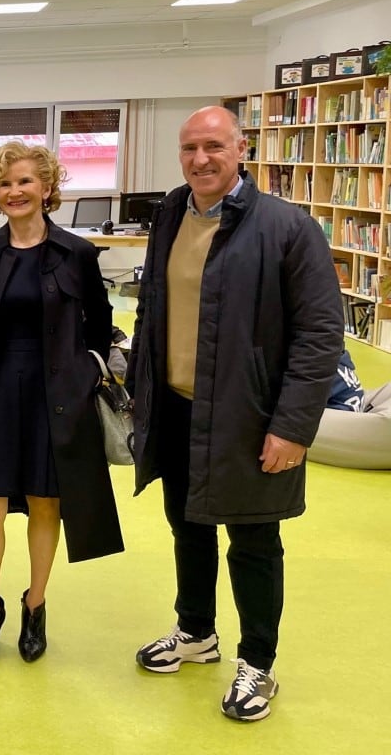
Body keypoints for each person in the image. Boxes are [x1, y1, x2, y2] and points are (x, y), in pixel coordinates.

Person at [127, 106, 343, 722]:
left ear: (241, 148)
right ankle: (196, 632)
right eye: (190, 148)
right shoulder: (170, 212)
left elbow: (321, 334)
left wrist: (293, 427)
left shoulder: (287, 227)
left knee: (253, 540)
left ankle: (258, 664)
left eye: (214, 146)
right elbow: (153, 308)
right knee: (187, 524)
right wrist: (143, 389)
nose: (201, 159)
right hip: (174, 408)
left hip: (249, 415)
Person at [0, 142, 123, 669]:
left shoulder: (77, 254)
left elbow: (99, 326)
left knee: (46, 504)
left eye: (25, 181)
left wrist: (84, 375)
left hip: (55, 400)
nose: (15, 191)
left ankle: (36, 604)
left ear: (47, 187)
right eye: (5, 183)